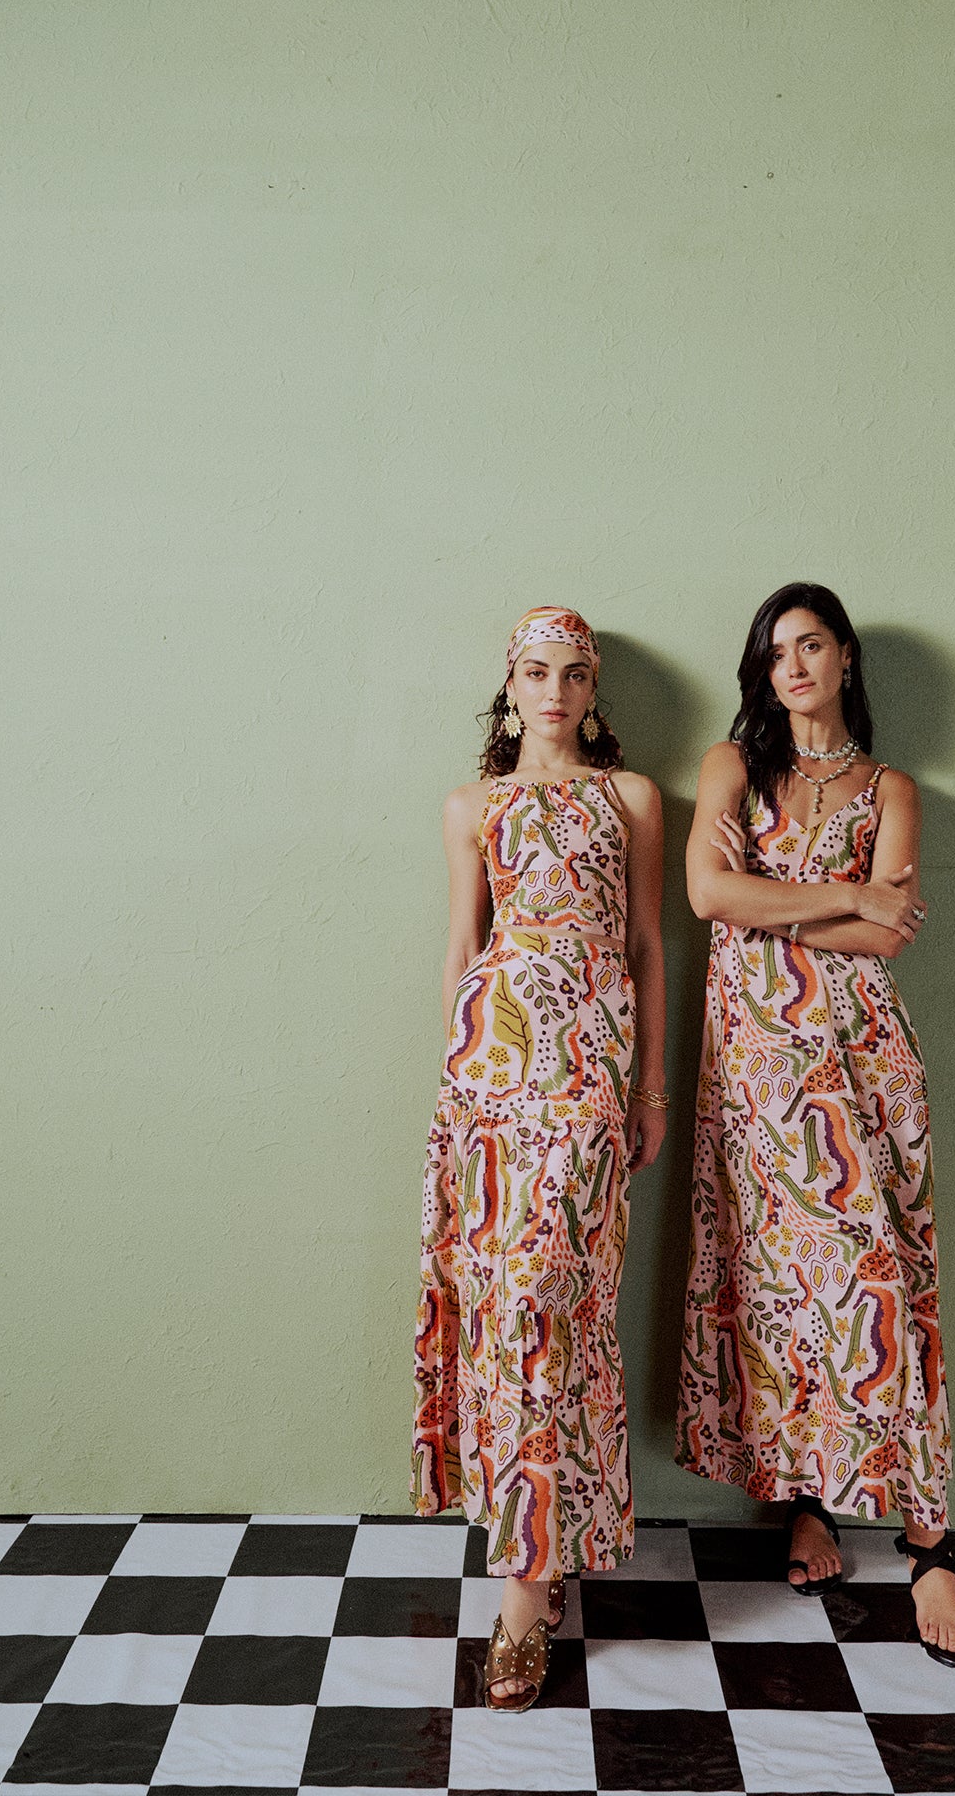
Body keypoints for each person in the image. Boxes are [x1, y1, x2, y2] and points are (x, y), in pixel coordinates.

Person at [675, 583, 955, 1670]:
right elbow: (708, 896)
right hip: (759, 1068)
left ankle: (930, 1544)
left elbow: (891, 937)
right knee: (781, 1287)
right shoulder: (732, 766)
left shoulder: (892, 787)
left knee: (887, 1278)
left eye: (811, 645)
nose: (793, 665)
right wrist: (846, 897)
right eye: (776, 652)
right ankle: (807, 1500)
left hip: (866, 1058)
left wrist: (777, 898)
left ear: (846, 657)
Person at [412, 606, 667, 1711]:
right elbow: (463, 947)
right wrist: (457, 1090)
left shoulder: (632, 798)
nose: (554, 690)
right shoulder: (472, 806)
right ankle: (530, 1568)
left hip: (590, 1073)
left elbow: (648, 945)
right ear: (509, 687)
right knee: (503, 1310)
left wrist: (649, 1088)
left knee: (555, 1303)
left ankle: (531, 1572)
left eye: (572, 673)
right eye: (534, 671)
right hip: (491, 1078)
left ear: (592, 690)